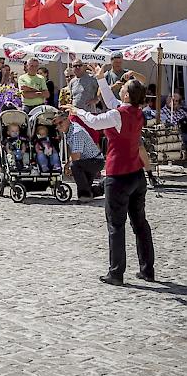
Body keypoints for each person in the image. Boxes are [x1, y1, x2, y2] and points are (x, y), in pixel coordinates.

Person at [63, 64, 155, 286]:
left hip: (119, 176)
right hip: (136, 174)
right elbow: (112, 103)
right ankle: (147, 270)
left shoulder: (117, 114)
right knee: (140, 223)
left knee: (116, 225)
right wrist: (101, 79)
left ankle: (116, 273)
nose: (121, 88)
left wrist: (77, 111)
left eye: (123, 88)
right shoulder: (136, 112)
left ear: (126, 94)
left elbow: (95, 121)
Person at [53, 112, 105, 203]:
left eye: (60, 123)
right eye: (56, 125)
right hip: (89, 160)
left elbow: (76, 157)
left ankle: (84, 196)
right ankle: (104, 186)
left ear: (67, 119)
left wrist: (67, 166)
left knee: (75, 166)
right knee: (88, 189)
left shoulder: (76, 132)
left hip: (94, 161)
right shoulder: (69, 129)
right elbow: (74, 152)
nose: (58, 126)